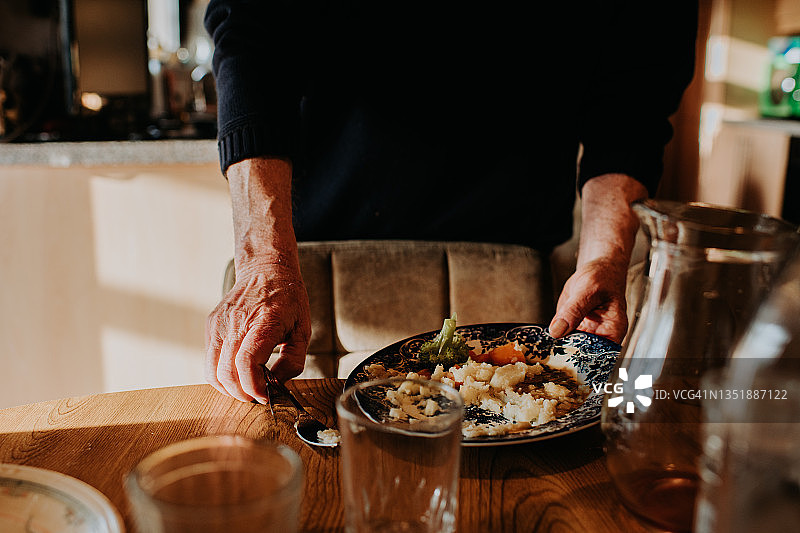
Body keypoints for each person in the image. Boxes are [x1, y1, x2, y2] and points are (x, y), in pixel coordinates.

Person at [203, 0, 698, 404]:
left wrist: (604, 259)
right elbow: (251, 26)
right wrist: (265, 257)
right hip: (317, 258)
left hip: (514, 252)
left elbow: (635, 94)